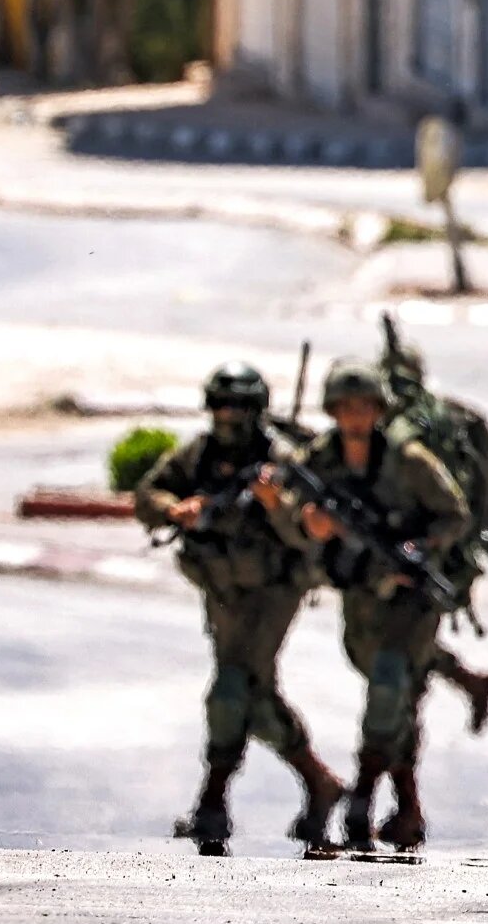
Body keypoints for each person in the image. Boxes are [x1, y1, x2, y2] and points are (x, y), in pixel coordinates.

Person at [134, 362, 342, 854]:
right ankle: (319, 782)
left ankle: (214, 801)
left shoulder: (281, 460)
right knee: (254, 694)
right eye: (221, 406)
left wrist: (276, 504)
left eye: (239, 407)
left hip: (273, 591)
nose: (229, 416)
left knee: (232, 687)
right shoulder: (200, 454)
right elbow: (148, 492)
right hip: (222, 589)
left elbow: (306, 529)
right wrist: (173, 508)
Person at [277, 360, 471, 853]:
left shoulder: (409, 460)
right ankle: (408, 805)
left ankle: (364, 794)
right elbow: (289, 504)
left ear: (378, 410)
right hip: (363, 597)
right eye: (346, 409)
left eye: (364, 408)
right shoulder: (321, 458)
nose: (356, 418)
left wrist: (418, 548)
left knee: (390, 689)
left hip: (412, 600)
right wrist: (308, 524)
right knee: (395, 698)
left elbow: (454, 514)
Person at [380, 341, 488, 733]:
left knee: (403, 663)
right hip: (445, 556)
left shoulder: (406, 426)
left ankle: (399, 769)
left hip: (433, 556)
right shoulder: (451, 416)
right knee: (391, 649)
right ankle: (469, 682)